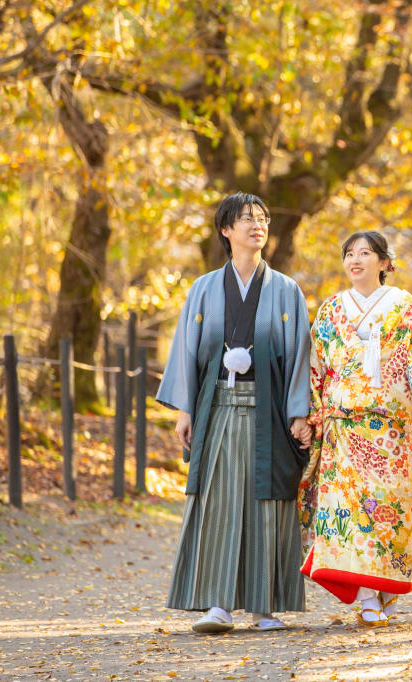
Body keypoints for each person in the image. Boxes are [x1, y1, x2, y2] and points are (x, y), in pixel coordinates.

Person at [157, 192, 313, 633]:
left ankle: (265, 607)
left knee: (268, 503)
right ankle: (217, 604)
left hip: (269, 410)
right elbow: (188, 350)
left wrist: (299, 411)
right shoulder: (204, 288)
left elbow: (299, 354)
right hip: (218, 407)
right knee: (217, 503)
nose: (256, 225)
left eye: (261, 218)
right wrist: (185, 409)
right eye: (245, 219)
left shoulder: (285, 289)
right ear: (226, 230)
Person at [298, 230, 412, 627]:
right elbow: (316, 366)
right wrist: (311, 415)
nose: (355, 260)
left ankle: (387, 585)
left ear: (384, 262)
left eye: (365, 253)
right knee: (349, 509)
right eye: (349, 253)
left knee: (390, 509)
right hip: (344, 428)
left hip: (392, 431)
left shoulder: (405, 306)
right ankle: (364, 595)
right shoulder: (331, 310)